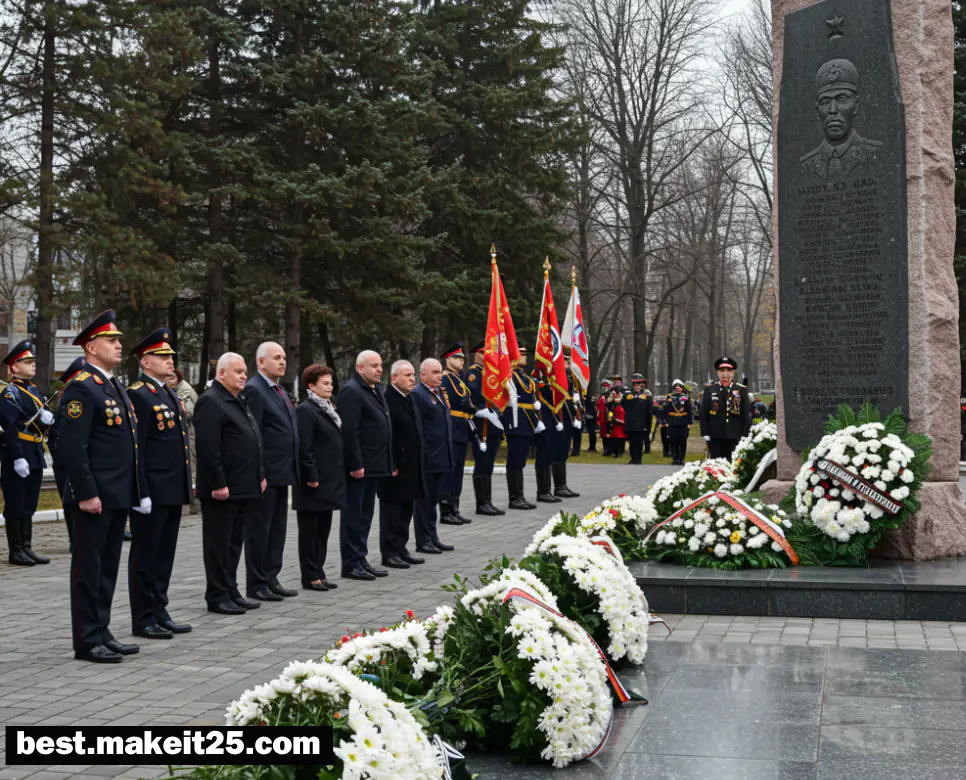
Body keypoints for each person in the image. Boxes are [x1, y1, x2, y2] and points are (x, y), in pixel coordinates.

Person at [56, 310, 145, 663]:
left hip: (115, 494)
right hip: (94, 496)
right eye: (112, 340)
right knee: (88, 570)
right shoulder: (82, 386)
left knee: (107, 569)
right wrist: (86, 493)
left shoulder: (111, 384)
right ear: (91, 347)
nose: (119, 345)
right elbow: (71, 448)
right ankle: (87, 639)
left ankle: (102, 629)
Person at [125, 328, 193, 639]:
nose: (170, 361)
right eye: (163, 356)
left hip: (171, 488)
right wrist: (141, 491)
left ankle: (159, 608)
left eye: (171, 356)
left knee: (164, 554)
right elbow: (137, 448)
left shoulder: (166, 392)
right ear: (145, 361)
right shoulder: (138, 393)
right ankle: (143, 617)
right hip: (151, 490)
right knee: (146, 555)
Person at [195, 352, 266, 615]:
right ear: (221, 373)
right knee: (218, 545)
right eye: (238, 372)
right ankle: (216, 595)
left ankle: (231, 589)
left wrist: (260, 474)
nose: (244, 376)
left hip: (243, 486)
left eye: (245, 372)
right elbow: (208, 448)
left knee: (235, 543)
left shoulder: (238, 399)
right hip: (222, 490)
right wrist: (218, 483)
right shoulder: (212, 401)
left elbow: (254, 440)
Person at [242, 342, 299, 602]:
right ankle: (256, 583)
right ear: (261, 362)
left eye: (284, 357)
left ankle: (271, 577)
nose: (282, 362)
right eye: (276, 358)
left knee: (277, 529)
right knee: (259, 530)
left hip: (282, 472)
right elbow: (254, 435)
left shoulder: (279, 390)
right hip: (266, 475)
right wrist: (260, 472)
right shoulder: (255, 389)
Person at [337, 350, 394, 580]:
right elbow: (350, 432)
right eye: (373, 365)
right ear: (360, 368)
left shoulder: (375, 390)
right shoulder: (352, 391)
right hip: (359, 467)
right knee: (353, 515)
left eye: (380, 365)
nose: (379, 369)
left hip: (374, 465)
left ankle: (361, 557)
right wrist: (355, 463)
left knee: (365, 515)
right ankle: (350, 563)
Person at [0, 340, 54, 565]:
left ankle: (27, 547)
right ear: (13, 367)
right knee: (16, 502)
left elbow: (42, 416)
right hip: (17, 453)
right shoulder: (10, 394)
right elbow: (9, 427)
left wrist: (47, 418)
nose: (33, 365)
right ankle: (15, 550)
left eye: (33, 361)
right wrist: (18, 456)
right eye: (27, 361)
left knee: (30, 502)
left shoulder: (32, 390)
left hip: (34, 450)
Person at [294, 364, 346, 591]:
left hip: (329, 479)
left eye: (331, 383)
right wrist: (311, 475)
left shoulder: (327, 408)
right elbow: (305, 447)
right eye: (325, 383)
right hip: (313, 481)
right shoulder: (306, 410)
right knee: (310, 530)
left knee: (323, 529)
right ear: (311, 386)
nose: (330, 387)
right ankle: (310, 575)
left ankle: (320, 571)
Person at [378, 360, 426, 567]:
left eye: (413, 374)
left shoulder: (408, 398)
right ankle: (389, 552)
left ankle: (401, 547)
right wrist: (390, 462)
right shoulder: (387, 400)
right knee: (392, 510)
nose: (412, 378)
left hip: (411, 465)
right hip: (395, 466)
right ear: (394, 378)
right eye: (407, 375)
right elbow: (386, 435)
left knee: (406, 508)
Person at [801, 58, 882, 181]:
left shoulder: (878, 155)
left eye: (841, 99)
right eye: (825, 101)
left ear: (856, 105)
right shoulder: (806, 165)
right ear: (817, 109)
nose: (832, 110)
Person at [412, 358, 457, 553]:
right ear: (423, 375)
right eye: (435, 372)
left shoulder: (437, 392)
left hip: (441, 456)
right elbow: (418, 428)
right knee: (424, 502)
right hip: (428, 458)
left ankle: (433, 536)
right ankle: (423, 540)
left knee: (433, 501)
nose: (440, 376)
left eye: (440, 372)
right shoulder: (418, 395)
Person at [48, 356, 88, 552]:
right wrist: (63, 461)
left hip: (81, 461)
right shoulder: (68, 405)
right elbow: (56, 438)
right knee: (71, 502)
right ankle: (75, 539)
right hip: (66, 462)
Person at [463, 340, 504, 515]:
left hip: (493, 422)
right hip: (481, 423)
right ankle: (482, 503)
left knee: (489, 464)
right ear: (476, 354)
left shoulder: (490, 373)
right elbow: (472, 395)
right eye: (483, 352)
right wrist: (480, 411)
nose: (486, 355)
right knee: (482, 463)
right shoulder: (473, 373)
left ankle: (488, 500)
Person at [438, 343, 476, 525]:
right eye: (457, 358)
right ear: (448, 360)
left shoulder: (458, 379)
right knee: (449, 472)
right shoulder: (445, 379)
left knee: (458, 471)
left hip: (461, 428)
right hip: (452, 428)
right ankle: (446, 511)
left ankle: (455, 507)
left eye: (462, 358)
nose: (461, 361)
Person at [502, 347, 541, 510]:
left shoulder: (525, 377)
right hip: (516, 422)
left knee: (521, 462)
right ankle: (514, 497)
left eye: (525, 355)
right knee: (514, 462)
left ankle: (520, 495)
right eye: (521, 355)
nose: (524, 357)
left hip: (527, 422)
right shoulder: (510, 375)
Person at [699, 356, 752, 459]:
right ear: (718, 373)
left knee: (734, 465)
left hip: (735, 434)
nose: (725, 374)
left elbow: (745, 414)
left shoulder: (741, 390)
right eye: (722, 370)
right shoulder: (710, 390)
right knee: (716, 465)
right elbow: (703, 413)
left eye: (729, 371)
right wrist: (705, 432)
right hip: (715, 435)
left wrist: (745, 434)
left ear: (733, 372)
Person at [551, 348, 580, 497]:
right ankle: (558, 486)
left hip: (568, 417)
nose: (568, 365)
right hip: (560, 417)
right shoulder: (555, 377)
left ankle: (563, 484)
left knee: (564, 451)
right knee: (558, 451)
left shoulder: (569, 377)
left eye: (568, 362)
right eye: (565, 362)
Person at [170, 367, 198, 512]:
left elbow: (188, 411)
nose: (168, 381)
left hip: (190, 433)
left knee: (191, 464)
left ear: (177, 379)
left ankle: (192, 501)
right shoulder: (177, 389)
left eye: (171, 378)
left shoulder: (184, 390)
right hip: (185, 433)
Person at [531, 368, 561, 504]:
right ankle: (542, 491)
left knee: (549, 454)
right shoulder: (536, 375)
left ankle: (548, 489)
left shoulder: (550, 378)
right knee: (543, 455)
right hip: (542, 420)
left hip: (551, 419)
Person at [622, 373, 653, 465]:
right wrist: (628, 399)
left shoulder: (646, 396)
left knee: (639, 442)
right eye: (635, 385)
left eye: (639, 385)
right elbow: (623, 406)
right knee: (632, 442)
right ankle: (633, 458)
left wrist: (648, 424)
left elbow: (649, 411)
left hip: (641, 424)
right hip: (631, 423)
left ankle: (638, 459)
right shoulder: (628, 395)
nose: (637, 387)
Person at [665, 379, 694, 465]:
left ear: (682, 388)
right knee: (673, 441)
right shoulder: (669, 397)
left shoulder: (686, 398)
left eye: (679, 388)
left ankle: (681, 458)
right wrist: (665, 421)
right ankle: (675, 458)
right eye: (676, 388)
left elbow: (690, 411)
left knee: (682, 441)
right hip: (672, 422)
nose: (678, 389)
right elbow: (666, 410)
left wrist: (690, 423)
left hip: (683, 422)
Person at [606, 388, 626, 457]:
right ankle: (612, 451)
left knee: (619, 437)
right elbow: (609, 406)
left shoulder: (623, 401)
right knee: (613, 436)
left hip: (621, 421)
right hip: (614, 420)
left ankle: (620, 452)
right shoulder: (612, 400)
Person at [596, 379, 612, 455]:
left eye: (606, 386)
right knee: (604, 435)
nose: (605, 388)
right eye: (603, 386)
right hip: (603, 418)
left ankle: (609, 450)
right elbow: (599, 407)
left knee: (609, 434)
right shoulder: (601, 397)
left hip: (609, 417)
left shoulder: (610, 395)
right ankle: (606, 449)